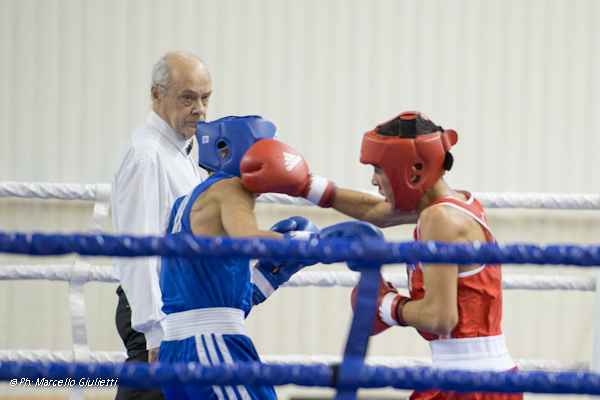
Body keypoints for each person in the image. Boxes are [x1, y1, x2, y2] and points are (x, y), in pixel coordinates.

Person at [239, 111, 522, 399]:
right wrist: (306, 186)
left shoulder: (440, 219)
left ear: (410, 170)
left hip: (467, 382)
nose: (375, 181)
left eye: (379, 168)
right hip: (481, 377)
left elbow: (440, 317)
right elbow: (377, 213)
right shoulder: (456, 204)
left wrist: (384, 305)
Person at [158, 115, 319, 400]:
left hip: (175, 349)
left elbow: (196, 292)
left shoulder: (182, 205)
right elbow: (246, 238)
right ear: (229, 150)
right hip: (214, 347)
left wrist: (266, 277)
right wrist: (304, 245)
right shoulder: (232, 188)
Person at [111, 50, 212, 400]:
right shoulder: (147, 155)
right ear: (157, 94)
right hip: (156, 313)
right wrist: (154, 331)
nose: (199, 108)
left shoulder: (179, 151)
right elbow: (138, 248)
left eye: (205, 97)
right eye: (188, 97)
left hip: (179, 309)